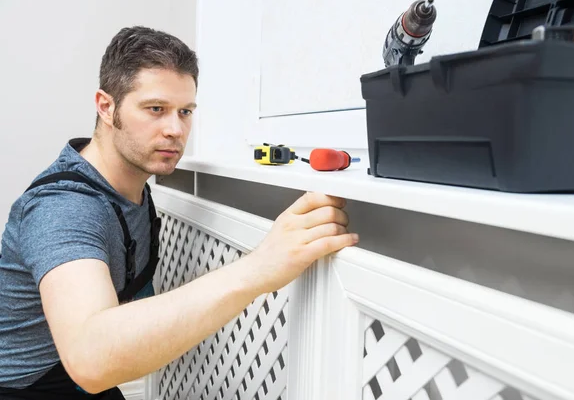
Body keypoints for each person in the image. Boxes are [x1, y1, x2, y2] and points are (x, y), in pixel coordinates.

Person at [0, 26, 358, 399]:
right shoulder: (62, 207)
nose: (175, 129)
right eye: (156, 109)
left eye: (185, 112)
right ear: (106, 107)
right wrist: (260, 268)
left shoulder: (132, 183)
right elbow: (90, 360)